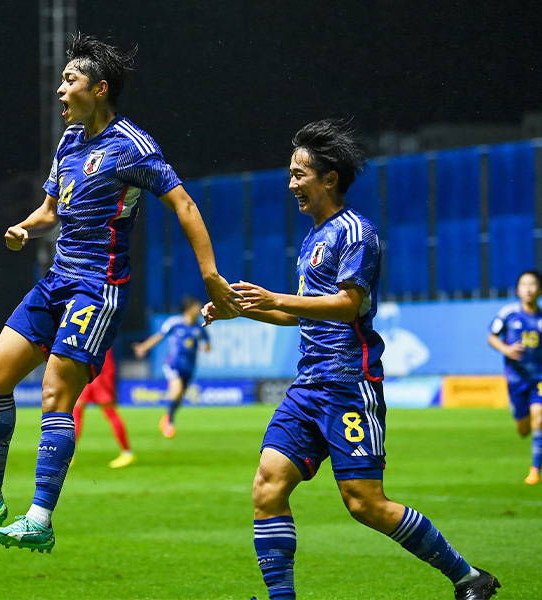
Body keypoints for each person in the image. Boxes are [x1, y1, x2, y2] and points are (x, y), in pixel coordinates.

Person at [0, 33, 241, 553]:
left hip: (98, 286)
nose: (59, 88)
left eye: (69, 79)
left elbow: (183, 204)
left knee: (56, 392)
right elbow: (51, 211)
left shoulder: (132, 146)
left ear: (99, 89)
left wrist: (210, 275)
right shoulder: (70, 142)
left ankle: (40, 518)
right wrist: (25, 228)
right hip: (56, 279)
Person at [203, 120, 500, 600]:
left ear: (329, 178)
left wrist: (273, 296)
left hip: (347, 381)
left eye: (300, 173)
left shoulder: (357, 232)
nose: (292, 183)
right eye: (291, 173)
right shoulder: (312, 239)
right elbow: (305, 315)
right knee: (267, 486)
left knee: (365, 503)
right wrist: (245, 309)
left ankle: (470, 578)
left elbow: (346, 305)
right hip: (308, 385)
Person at [487, 269, 542, 485]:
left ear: (539, 289)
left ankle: (535, 469)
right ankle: (522, 416)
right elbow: (491, 336)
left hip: (538, 378)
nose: (528, 289)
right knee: (523, 429)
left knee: (539, 417)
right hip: (516, 380)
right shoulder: (508, 313)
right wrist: (506, 349)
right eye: (524, 285)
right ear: (518, 289)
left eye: (532, 284)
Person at [132, 295, 210, 438]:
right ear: (189, 308)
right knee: (177, 390)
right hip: (174, 364)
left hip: (189, 367)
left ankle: (167, 417)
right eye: (196, 307)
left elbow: (207, 344)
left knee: (179, 398)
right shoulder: (175, 323)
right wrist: (144, 347)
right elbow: (159, 336)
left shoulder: (199, 327)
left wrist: (206, 348)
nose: (199, 310)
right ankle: (169, 422)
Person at [72, 347, 135, 468]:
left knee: (109, 412)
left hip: (98, 371)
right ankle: (69, 455)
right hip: (89, 370)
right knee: (77, 411)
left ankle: (127, 453)